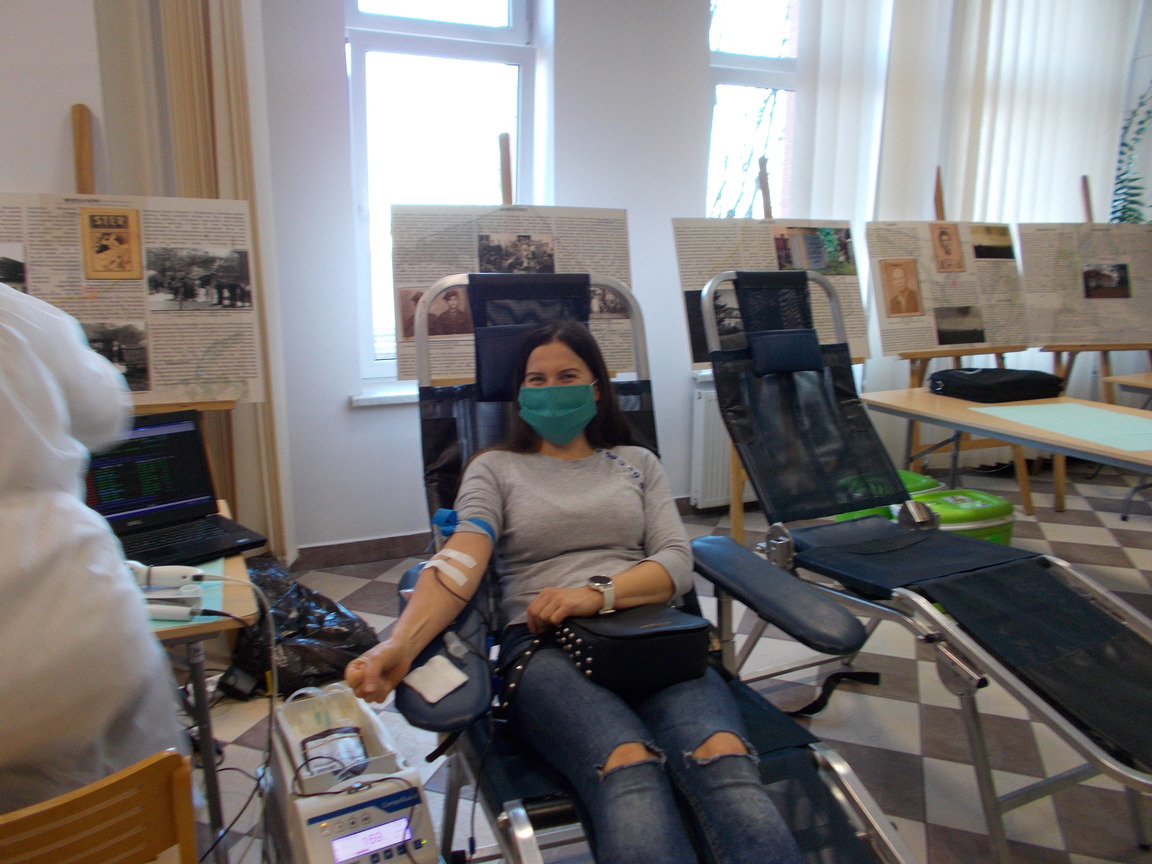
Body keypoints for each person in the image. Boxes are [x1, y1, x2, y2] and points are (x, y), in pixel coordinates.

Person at [347, 320, 802, 864]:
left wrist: (595, 593)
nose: (551, 390)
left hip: (654, 636)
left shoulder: (637, 463)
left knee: (723, 756)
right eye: (536, 380)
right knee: (627, 765)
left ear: (596, 388)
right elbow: (461, 557)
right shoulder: (494, 468)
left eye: (567, 376)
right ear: (519, 394)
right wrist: (398, 644)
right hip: (544, 647)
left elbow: (676, 564)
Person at [0, 282, 186, 813]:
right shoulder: (20, 318)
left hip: (63, 607)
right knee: (140, 812)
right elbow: (104, 413)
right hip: (74, 619)